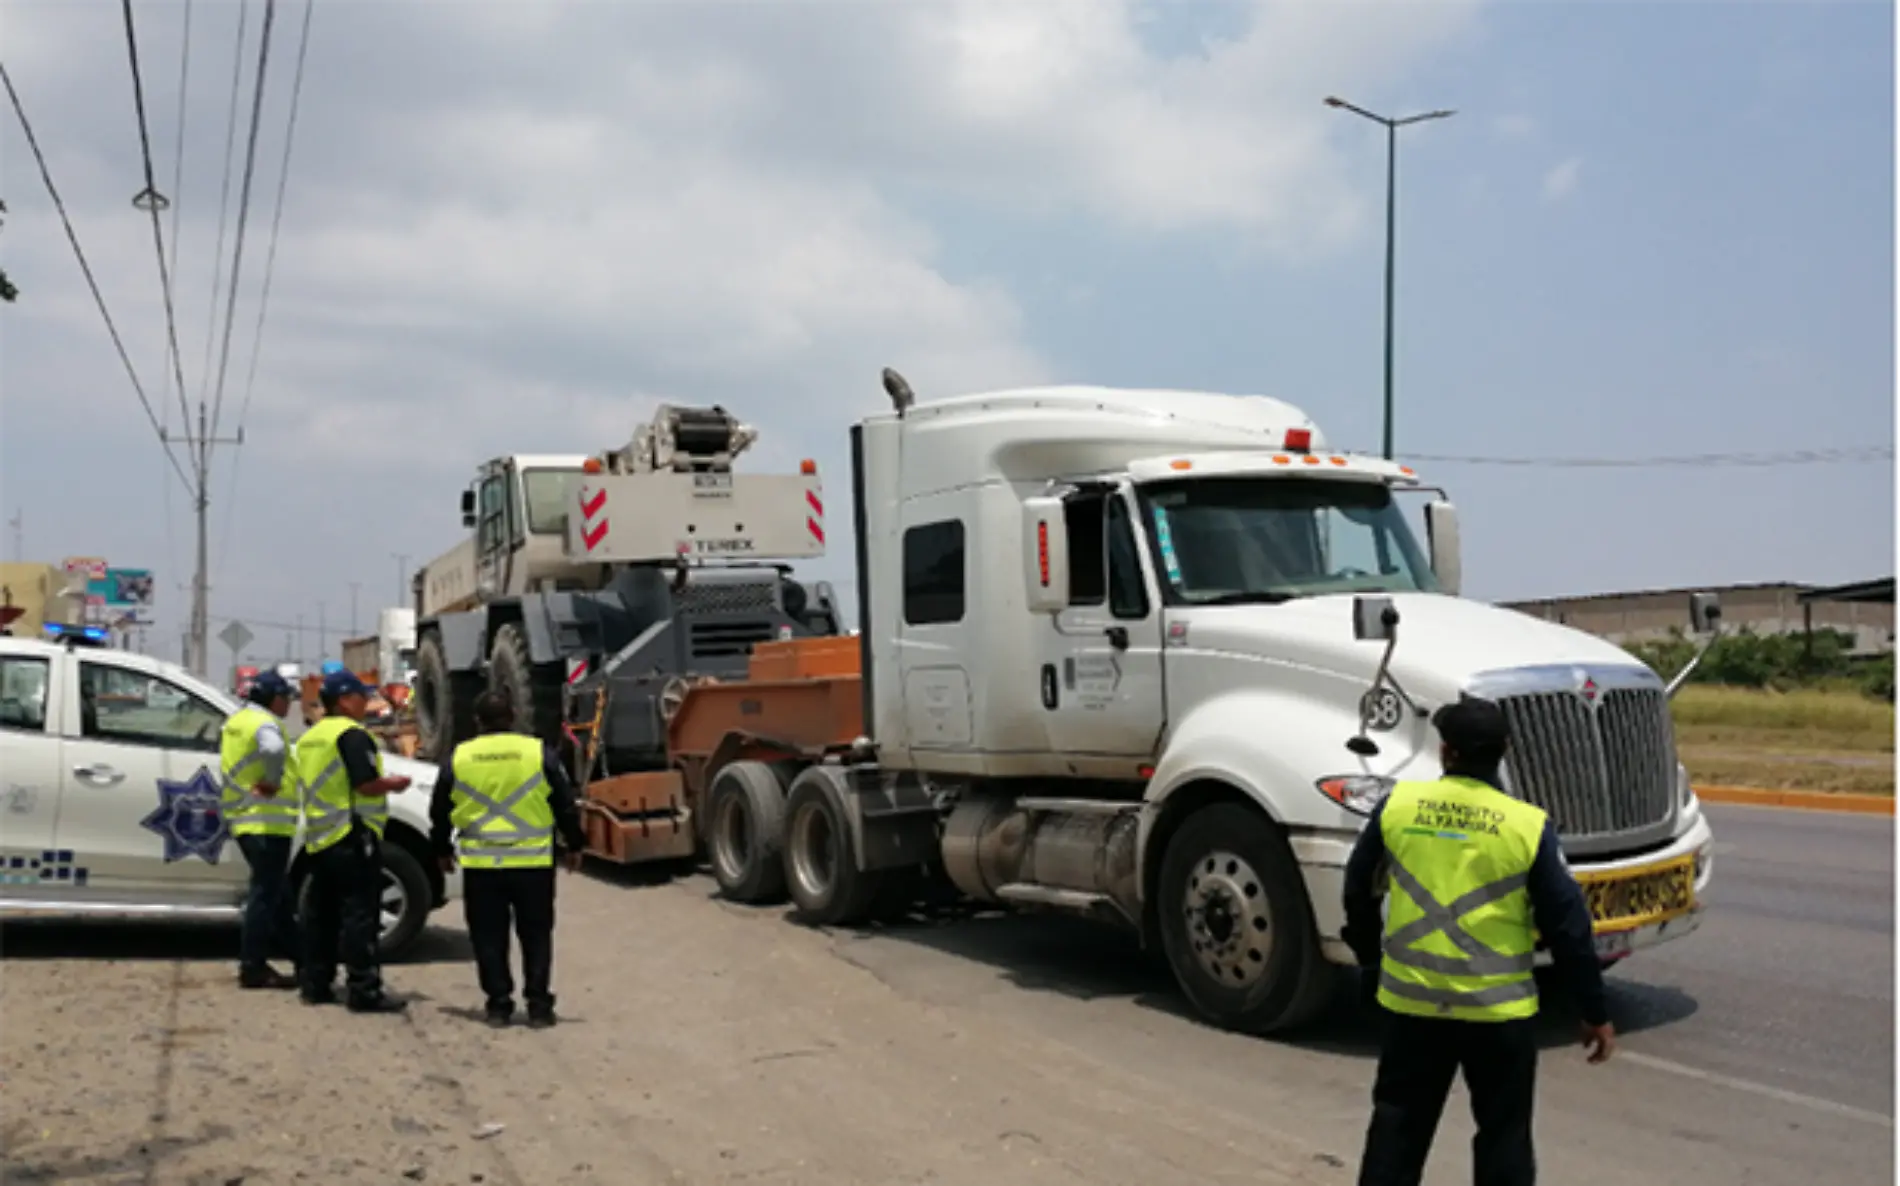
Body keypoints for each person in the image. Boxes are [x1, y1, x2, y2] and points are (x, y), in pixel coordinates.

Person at [1343, 697, 1615, 1186]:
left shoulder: (1398, 807)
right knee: (1503, 1138)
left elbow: (1357, 889)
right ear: (1504, 750)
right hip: (1497, 1015)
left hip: (1411, 1006)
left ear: (1445, 752)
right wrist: (1592, 1010)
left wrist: (1370, 963)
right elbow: (1568, 926)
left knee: (1397, 1129)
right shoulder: (1526, 825)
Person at [430, 690, 586, 1029]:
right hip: (532, 864)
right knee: (536, 935)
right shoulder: (537, 752)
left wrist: (441, 850)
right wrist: (575, 845)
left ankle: (499, 1005)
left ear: (478, 721)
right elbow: (564, 802)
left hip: (483, 866)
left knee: (488, 937)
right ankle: (539, 1006)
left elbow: (439, 809)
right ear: (513, 716)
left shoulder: (459, 757)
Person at [295, 670, 413, 1013]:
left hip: (320, 835)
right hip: (352, 833)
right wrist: (393, 784)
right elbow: (365, 785)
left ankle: (315, 984)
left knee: (320, 915)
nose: (367, 702)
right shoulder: (351, 735)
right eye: (362, 696)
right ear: (345, 700)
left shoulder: (311, 737)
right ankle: (364, 989)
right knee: (359, 915)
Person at [219, 669, 303, 990]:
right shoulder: (266, 723)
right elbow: (272, 750)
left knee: (277, 894)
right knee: (266, 895)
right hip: (267, 821)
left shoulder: (236, 722)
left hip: (243, 817)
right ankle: (252, 966)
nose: (289, 707)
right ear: (275, 699)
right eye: (286, 700)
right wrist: (272, 780)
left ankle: (303, 958)